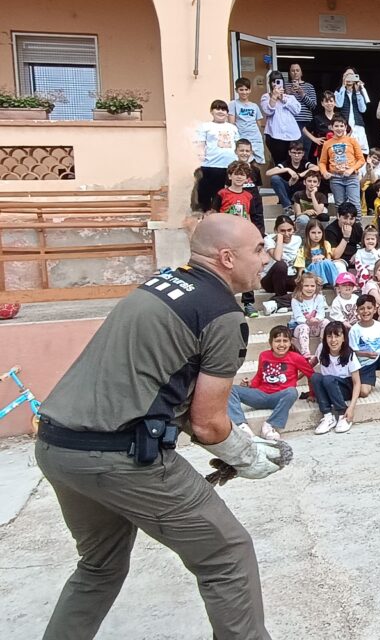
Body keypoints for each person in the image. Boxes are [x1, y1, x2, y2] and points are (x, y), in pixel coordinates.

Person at [35, 213, 286, 640]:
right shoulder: (221, 313)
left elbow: (166, 388)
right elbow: (207, 423)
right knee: (227, 555)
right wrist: (246, 457)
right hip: (120, 455)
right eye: (259, 249)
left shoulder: (161, 283)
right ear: (227, 258)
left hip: (57, 446)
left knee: (98, 566)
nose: (267, 258)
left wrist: (232, 445)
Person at [229, 324, 313, 440]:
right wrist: (250, 384)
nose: (281, 344)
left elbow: (311, 375)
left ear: (290, 343)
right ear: (270, 342)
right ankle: (241, 425)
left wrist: (312, 394)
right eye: (277, 341)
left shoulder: (296, 358)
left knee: (292, 392)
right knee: (230, 389)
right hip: (261, 395)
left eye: (285, 341)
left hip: (280, 397)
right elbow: (259, 376)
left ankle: (270, 425)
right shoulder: (264, 355)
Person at [310, 321, 363, 435]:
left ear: (343, 338)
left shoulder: (349, 354)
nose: (333, 340)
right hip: (328, 385)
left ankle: (342, 414)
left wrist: (351, 407)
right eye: (329, 336)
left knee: (328, 379)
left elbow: (357, 383)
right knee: (315, 377)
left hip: (344, 387)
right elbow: (312, 364)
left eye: (337, 336)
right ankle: (328, 416)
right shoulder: (321, 348)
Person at [235, 139, 266, 318]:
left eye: (247, 150)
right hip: (232, 233)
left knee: (249, 266)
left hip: (250, 229)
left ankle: (248, 303)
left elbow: (257, 207)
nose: (245, 153)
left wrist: (259, 231)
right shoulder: (225, 191)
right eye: (242, 150)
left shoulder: (255, 171)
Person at [193, 99, 240, 213]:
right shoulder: (205, 126)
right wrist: (200, 157)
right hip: (211, 165)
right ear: (211, 111)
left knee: (227, 194)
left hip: (230, 166)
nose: (220, 112)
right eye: (217, 109)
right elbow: (200, 144)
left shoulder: (232, 127)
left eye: (223, 109)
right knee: (209, 194)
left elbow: (238, 145)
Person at [318, 114, 365, 210]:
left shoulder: (352, 141)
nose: (339, 129)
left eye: (341, 126)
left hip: (351, 177)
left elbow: (361, 159)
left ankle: (356, 220)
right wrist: (324, 172)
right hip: (335, 178)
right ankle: (341, 221)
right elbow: (322, 162)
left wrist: (351, 169)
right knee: (339, 205)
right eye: (336, 126)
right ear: (331, 127)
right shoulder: (327, 143)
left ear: (345, 127)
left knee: (355, 204)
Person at [261, 215, 302, 315]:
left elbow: (300, 259)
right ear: (276, 230)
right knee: (281, 265)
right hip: (271, 279)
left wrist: (300, 274)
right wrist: (279, 239)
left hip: (290, 277)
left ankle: (277, 301)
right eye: (282, 231)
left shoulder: (297, 239)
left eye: (289, 230)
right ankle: (282, 298)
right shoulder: (268, 239)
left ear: (294, 228)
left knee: (307, 284)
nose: (287, 234)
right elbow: (277, 257)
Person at [260, 70, 302, 166]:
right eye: (274, 81)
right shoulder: (266, 97)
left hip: (292, 135)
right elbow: (268, 111)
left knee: (293, 161)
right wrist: (274, 97)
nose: (276, 84)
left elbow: (297, 110)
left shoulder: (289, 97)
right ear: (270, 83)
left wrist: (283, 99)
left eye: (279, 81)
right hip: (275, 135)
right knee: (279, 162)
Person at [290, 272, 327, 362]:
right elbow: (298, 317)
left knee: (326, 322)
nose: (309, 288)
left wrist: (317, 319)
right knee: (304, 327)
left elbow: (321, 313)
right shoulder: (295, 299)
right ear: (300, 286)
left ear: (316, 286)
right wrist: (307, 321)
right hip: (300, 327)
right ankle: (305, 352)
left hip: (315, 326)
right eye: (306, 286)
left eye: (312, 286)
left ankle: (324, 346)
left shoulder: (319, 298)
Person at [266, 141, 315, 208]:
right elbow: (268, 173)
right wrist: (287, 169)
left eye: (299, 153)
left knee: (310, 180)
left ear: (303, 153)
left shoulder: (304, 163)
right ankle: (287, 207)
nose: (296, 155)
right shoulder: (286, 163)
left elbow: (317, 168)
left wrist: (299, 175)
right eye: (294, 153)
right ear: (289, 153)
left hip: (300, 193)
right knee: (275, 178)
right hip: (287, 192)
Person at [229, 77, 266, 163]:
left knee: (256, 164)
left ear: (250, 90)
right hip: (242, 138)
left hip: (255, 139)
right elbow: (231, 123)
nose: (244, 92)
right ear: (236, 90)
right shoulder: (233, 104)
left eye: (246, 89)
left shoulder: (254, 106)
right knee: (243, 163)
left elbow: (259, 124)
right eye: (241, 90)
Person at [334, 68, 370, 154]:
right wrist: (343, 86)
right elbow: (339, 104)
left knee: (361, 151)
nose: (349, 77)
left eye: (351, 75)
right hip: (344, 126)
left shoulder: (360, 90)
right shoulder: (339, 90)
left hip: (358, 125)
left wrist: (358, 92)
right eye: (347, 75)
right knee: (345, 151)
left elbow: (363, 109)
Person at [295, 219, 339, 289]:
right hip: (310, 274)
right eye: (313, 233)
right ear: (308, 233)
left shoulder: (326, 244)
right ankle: (320, 285)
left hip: (324, 272)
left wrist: (322, 259)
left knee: (325, 262)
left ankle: (337, 284)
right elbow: (301, 269)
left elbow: (329, 261)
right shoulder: (303, 249)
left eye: (319, 232)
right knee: (317, 263)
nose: (316, 235)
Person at [287, 62, 318, 159]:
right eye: (292, 71)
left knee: (305, 151)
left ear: (301, 73)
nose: (295, 72)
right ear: (289, 73)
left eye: (297, 70)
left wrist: (302, 94)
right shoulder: (286, 86)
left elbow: (313, 105)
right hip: (290, 123)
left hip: (306, 123)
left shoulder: (309, 86)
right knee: (292, 151)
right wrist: (289, 94)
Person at [326, 201, 363, 268]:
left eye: (351, 219)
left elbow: (366, 245)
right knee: (339, 266)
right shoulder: (330, 230)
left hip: (355, 258)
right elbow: (335, 256)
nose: (348, 222)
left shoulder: (357, 227)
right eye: (345, 218)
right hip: (339, 260)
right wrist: (346, 237)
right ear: (338, 216)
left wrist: (358, 254)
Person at [309, 90, 340, 164]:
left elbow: (349, 130)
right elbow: (305, 129)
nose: (329, 103)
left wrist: (343, 140)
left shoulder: (339, 117)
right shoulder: (317, 118)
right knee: (323, 169)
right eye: (326, 101)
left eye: (331, 101)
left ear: (335, 103)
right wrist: (314, 139)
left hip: (338, 150)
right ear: (322, 103)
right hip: (322, 150)